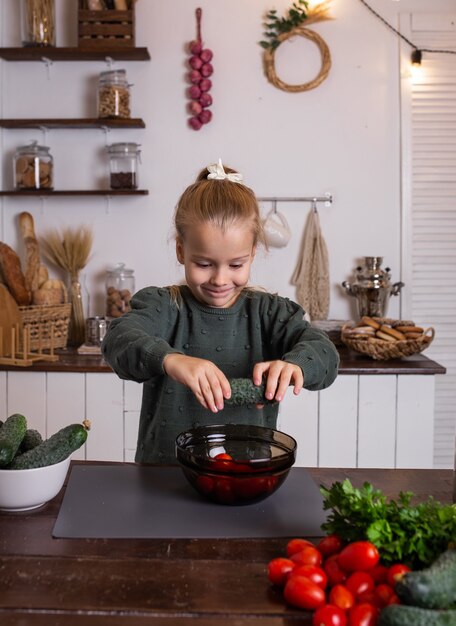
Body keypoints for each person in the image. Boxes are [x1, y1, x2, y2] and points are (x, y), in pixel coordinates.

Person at [102, 159, 339, 463]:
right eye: (204, 264)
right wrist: (171, 360)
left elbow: (327, 356)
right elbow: (117, 340)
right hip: (163, 476)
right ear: (180, 251)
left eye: (236, 265)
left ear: (254, 253)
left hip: (246, 475)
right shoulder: (163, 307)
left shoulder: (270, 314)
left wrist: (295, 365)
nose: (220, 279)